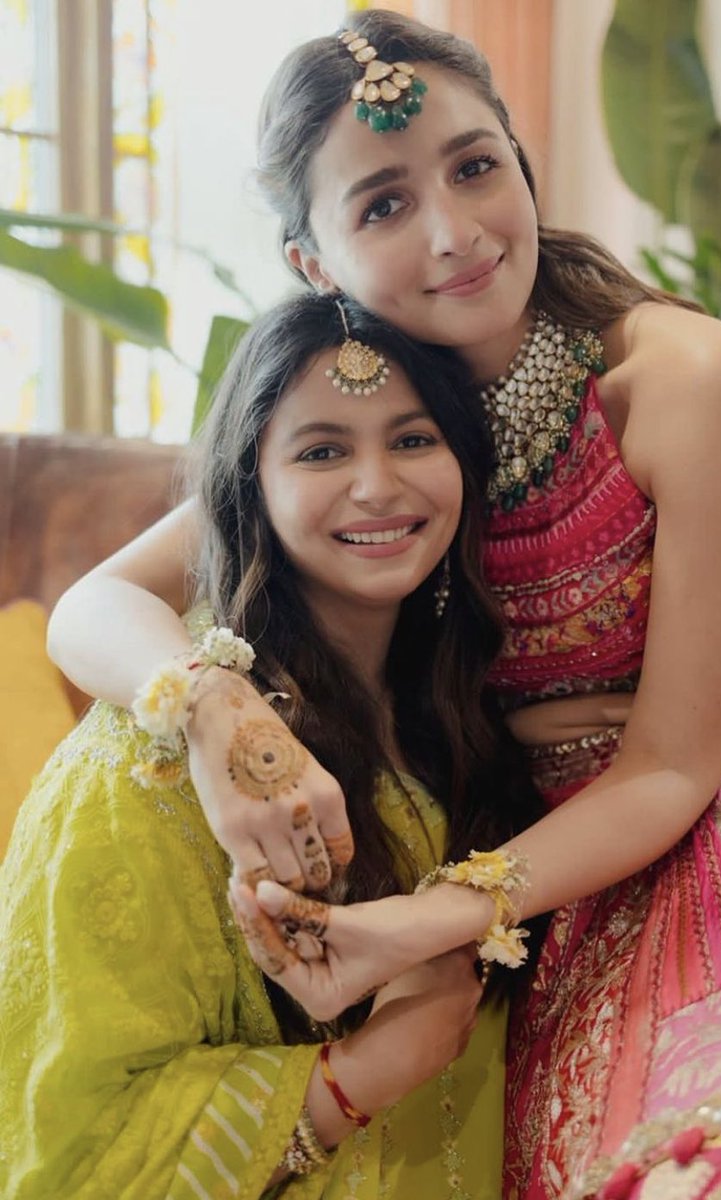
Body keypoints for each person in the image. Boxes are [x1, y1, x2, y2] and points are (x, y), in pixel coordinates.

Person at [44, 12, 721, 1198]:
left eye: (476, 168)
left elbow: (672, 770)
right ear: (312, 263)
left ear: (522, 162)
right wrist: (218, 712)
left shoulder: (688, 379)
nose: (457, 232)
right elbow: (92, 603)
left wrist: (426, 921)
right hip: (531, 888)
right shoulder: (364, 427)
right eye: (381, 204)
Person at [0, 291, 544, 1200]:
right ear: (249, 483)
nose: (377, 485)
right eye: (322, 450)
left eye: (413, 440)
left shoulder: (470, 699)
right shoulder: (162, 763)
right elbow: (75, 1148)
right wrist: (356, 1077)